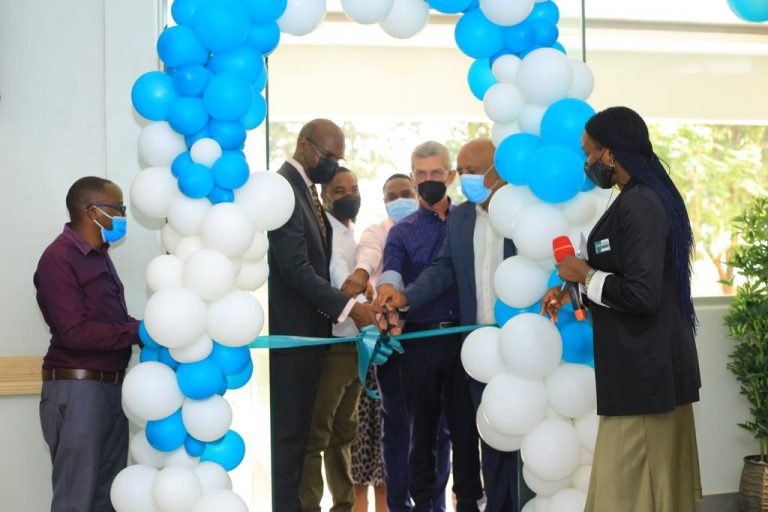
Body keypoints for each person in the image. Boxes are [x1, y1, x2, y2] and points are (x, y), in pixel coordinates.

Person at [542, 106, 702, 512]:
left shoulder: (641, 202)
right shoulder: (635, 198)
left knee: (626, 496)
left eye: (589, 152)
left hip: (646, 374)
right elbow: (626, 272)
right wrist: (573, 285)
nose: (587, 162)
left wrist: (584, 274)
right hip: (642, 372)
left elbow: (643, 294)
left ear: (610, 154)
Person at [377, 140, 525, 512]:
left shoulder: (522, 214)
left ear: (497, 170)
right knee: (438, 430)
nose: (467, 177)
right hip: (456, 343)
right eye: (464, 170)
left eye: (473, 170)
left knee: (484, 427)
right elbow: (442, 269)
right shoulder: (458, 221)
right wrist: (403, 298)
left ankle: (484, 500)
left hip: (517, 341)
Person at [268, 119, 383, 512]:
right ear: (304, 145)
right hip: (295, 339)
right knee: (293, 443)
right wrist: (351, 308)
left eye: (339, 157)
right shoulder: (284, 188)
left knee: (304, 438)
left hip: (314, 341)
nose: (333, 163)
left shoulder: (307, 191)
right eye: (328, 155)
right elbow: (297, 270)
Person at [34, 177, 140, 512]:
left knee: (108, 498)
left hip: (109, 389)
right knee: (75, 500)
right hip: (78, 391)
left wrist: (141, 328)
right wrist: (138, 331)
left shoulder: (99, 256)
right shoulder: (59, 258)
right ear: (92, 211)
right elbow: (75, 332)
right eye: (118, 209)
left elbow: (108, 319)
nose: (122, 217)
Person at [342, 173, 419, 512]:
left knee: (425, 431)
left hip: (424, 343)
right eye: (392, 196)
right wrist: (362, 272)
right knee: (382, 434)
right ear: (384, 200)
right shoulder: (378, 232)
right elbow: (369, 254)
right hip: (381, 349)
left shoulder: (431, 228)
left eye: (405, 193)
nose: (399, 200)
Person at [299, 167, 364, 512]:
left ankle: (344, 505)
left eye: (354, 189)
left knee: (344, 434)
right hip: (336, 347)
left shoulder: (352, 233)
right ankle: (310, 505)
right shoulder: (329, 234)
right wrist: (367, 308)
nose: (349, 196)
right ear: (324, 197)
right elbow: (340, 278)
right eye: (339, 191)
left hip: (358, 347)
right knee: (318, 436)